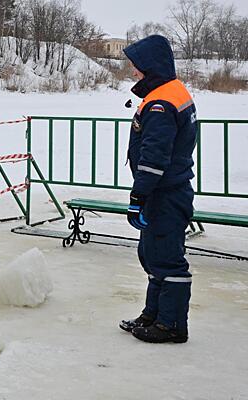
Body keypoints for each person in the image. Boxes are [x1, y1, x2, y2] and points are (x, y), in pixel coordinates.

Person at [119, 35, 197, 343]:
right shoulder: (168, 92)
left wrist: (139, 195)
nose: (133, 72)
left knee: (166, 257)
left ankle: (171, 325)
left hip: (165, 192)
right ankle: (153, 314)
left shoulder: (161, 103)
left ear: (150, 67)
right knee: (152, 254)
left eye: (136, 67)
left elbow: (154, 157)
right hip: (164, 191)